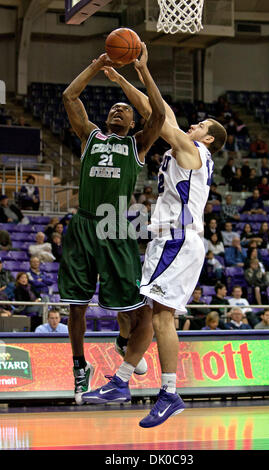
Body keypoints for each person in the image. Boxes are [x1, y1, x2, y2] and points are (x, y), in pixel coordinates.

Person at [82, 52, 227, 428]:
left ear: (208, 137)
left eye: (201, 124)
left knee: (159, 317)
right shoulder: (187, 146)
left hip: (177, 240)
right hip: (169, 241)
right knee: (145, 311)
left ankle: (165, 391)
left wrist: (143, 68)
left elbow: (157, 116)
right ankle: (124, 379)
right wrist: (121, 81)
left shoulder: (193, 150)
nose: (193, 124)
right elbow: (153, 108)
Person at [58, 44, 166, 406]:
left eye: (125, 110)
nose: (119, 110)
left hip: (117, 226)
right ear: (106, 120)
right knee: (76, 306)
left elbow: (160, 115)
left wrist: (138, 74)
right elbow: (70, 95)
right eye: (114, 108)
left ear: (133, 122)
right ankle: (79, 366)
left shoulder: (137, 144)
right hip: (85, 225)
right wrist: (96, 65)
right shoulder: (91, 137)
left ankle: (124, 342)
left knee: (132, 308)